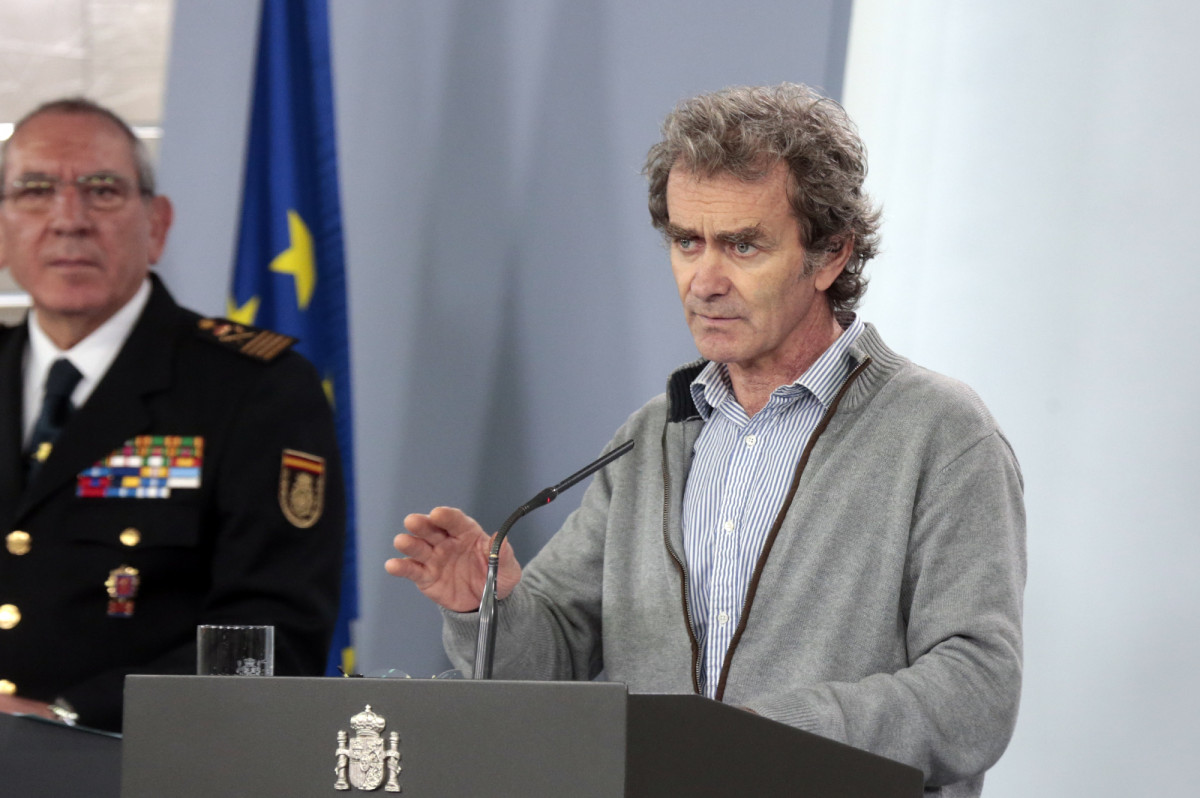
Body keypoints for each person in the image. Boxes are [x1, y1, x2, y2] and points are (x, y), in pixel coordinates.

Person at [387, 83, 1025, 796]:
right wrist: (488, 607)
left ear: (831, 255)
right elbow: (549, 668)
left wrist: (760, 738)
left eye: (743, 245)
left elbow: (975, 694)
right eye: (687, 241)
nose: (705, 279)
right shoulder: (653, 436)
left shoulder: (939, 432)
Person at [0, 98, 345, 731]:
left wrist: (63, 718)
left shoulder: (256, 388)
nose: (67, 219)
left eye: (102, 190)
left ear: (156, 225)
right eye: (35, 190)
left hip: (138, 765)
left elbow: (275, 637)